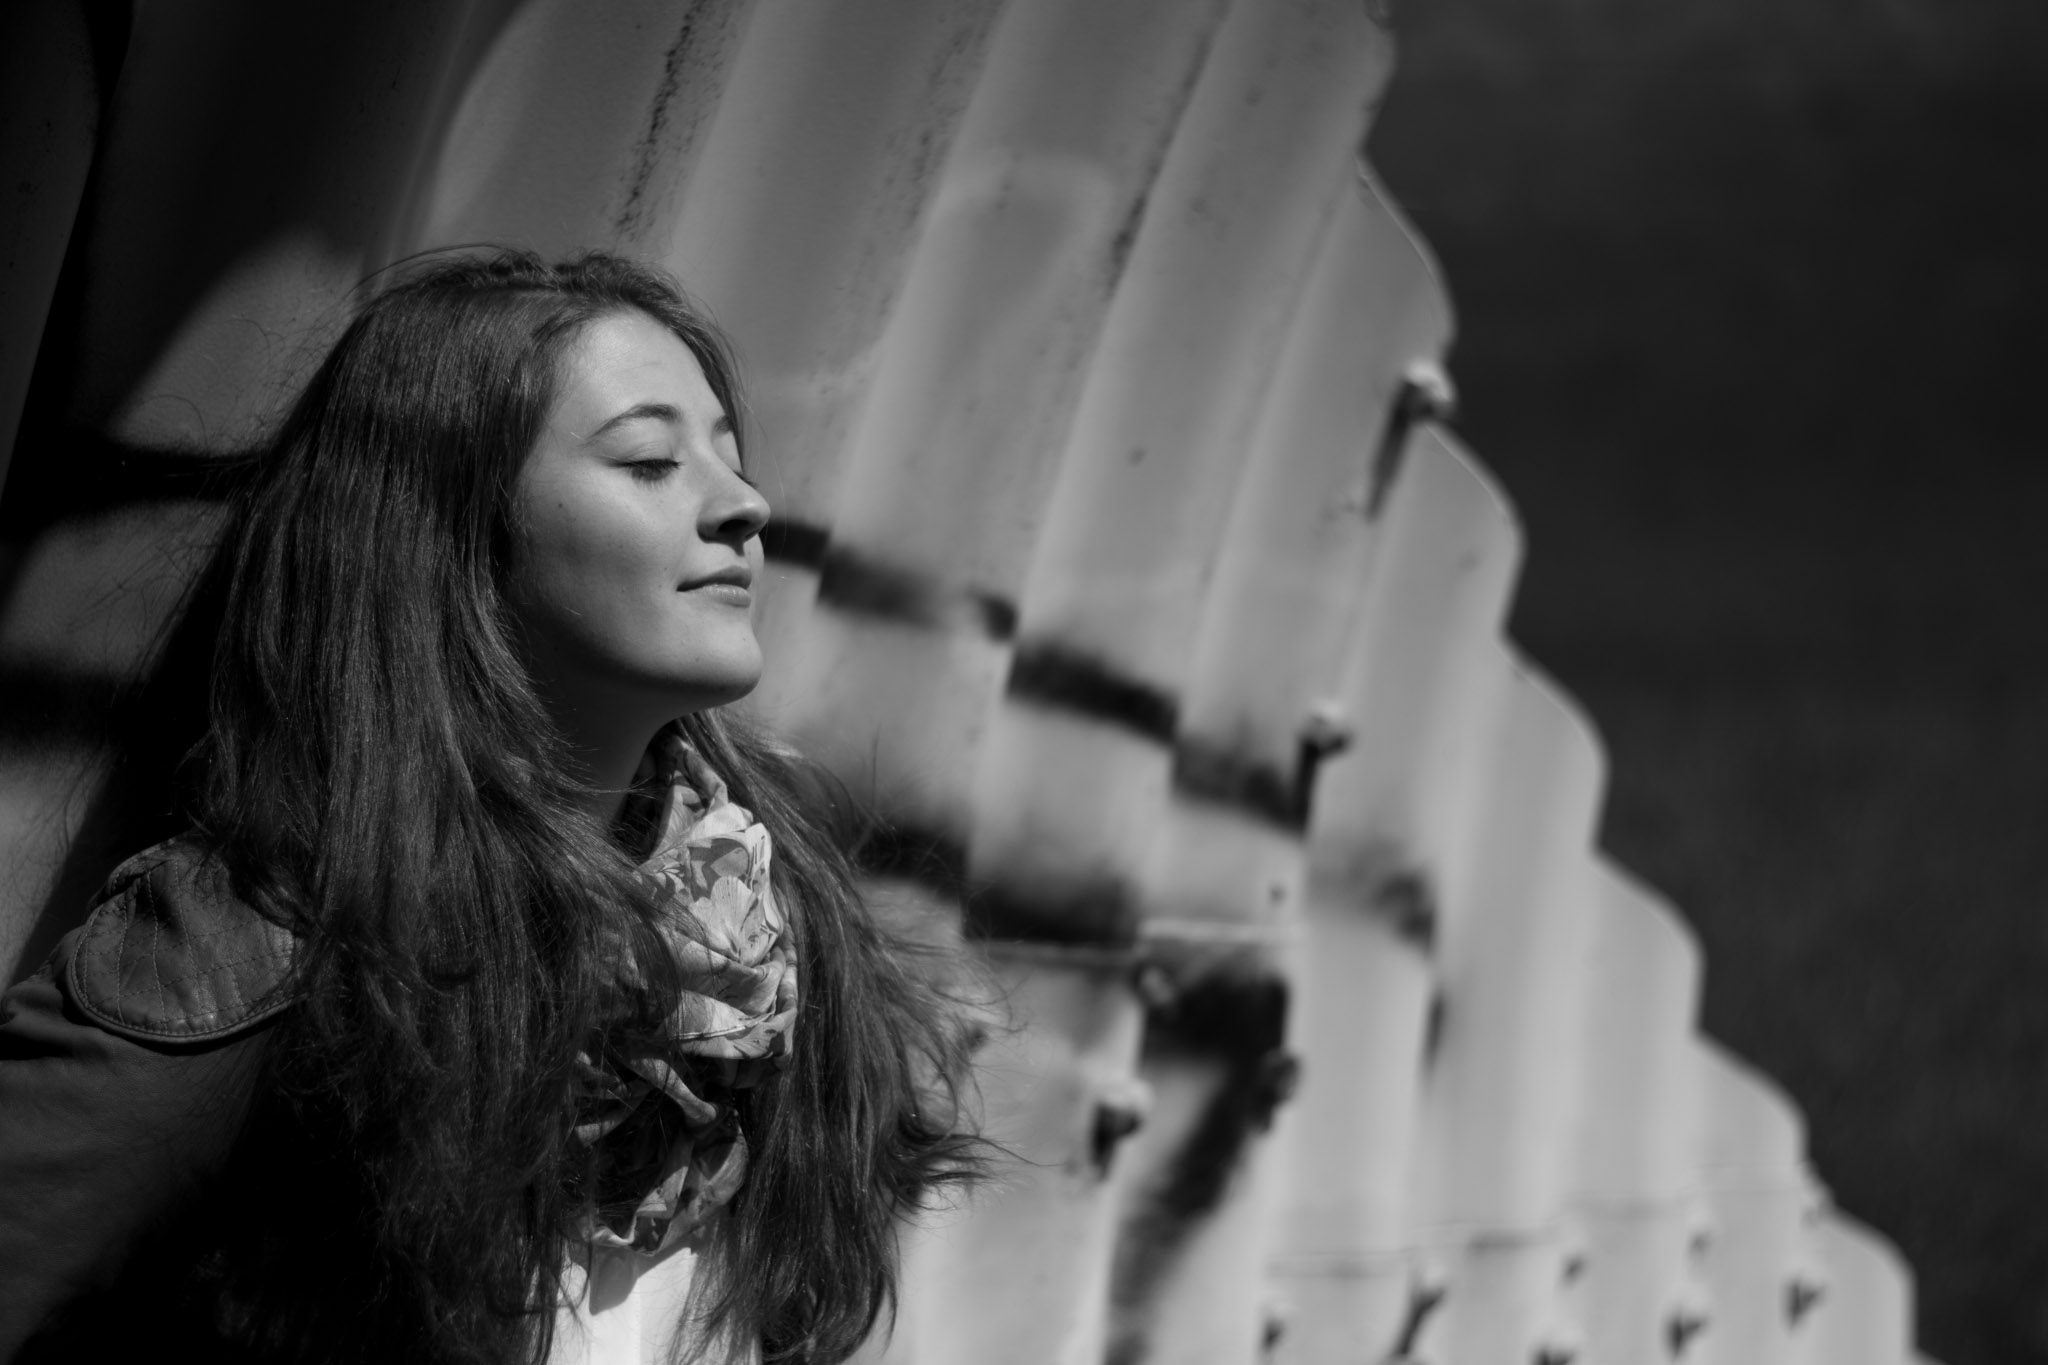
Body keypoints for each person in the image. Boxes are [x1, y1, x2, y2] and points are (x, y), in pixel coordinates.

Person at [0, 250, 979, 1363]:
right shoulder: (267, 941)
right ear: (450, 531)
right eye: (651, 462)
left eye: (731, 455)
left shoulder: (772, 942)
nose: (744, 505)